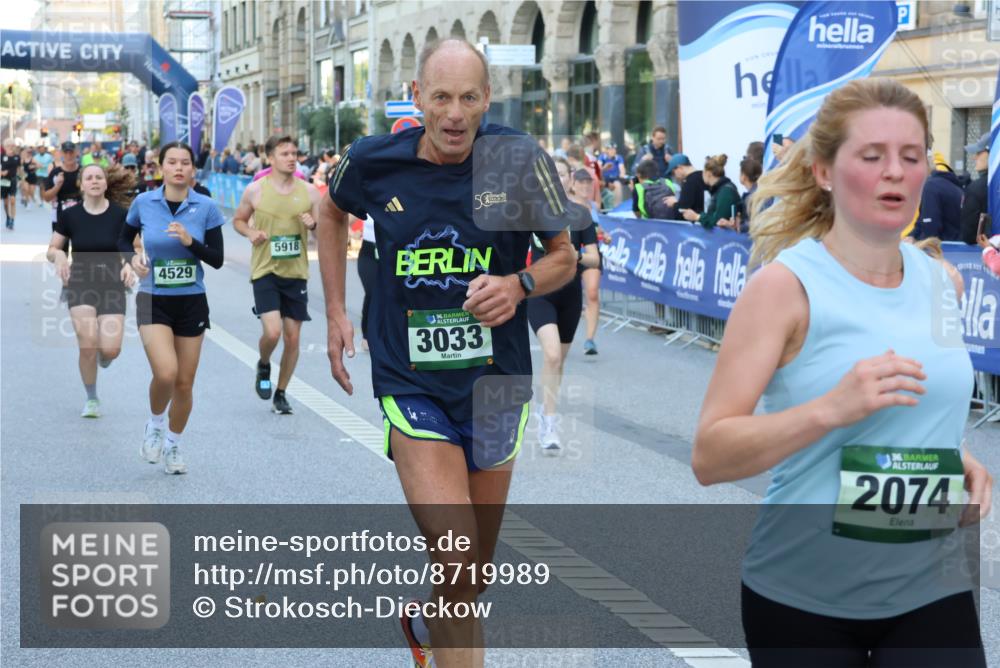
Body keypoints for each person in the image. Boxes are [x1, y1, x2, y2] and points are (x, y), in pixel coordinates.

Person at [692, 78, 991, 667]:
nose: (895, 173)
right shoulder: (783, 289)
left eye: (910, 157)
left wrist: (957, 460)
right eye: (872, 156)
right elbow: (710, 455)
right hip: (806, 598)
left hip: (931, 586)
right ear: (825, 170)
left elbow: (923, 417)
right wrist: (833, 408)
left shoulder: (942, 283)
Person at [316, 38, 578, 668]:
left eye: (468, 97)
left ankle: (430, 622)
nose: (456, 113)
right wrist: (332, 312)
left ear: (487, 98)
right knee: (457, 554)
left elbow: (564, 256)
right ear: (417, 99)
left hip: (496, 382)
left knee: (469, 578)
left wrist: (519, 285)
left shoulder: (516, 158)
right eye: (441, 97)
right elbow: (327, 213)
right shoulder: (373, 161)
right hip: (412, 381)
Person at [118, 141, 225, 475]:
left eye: (185, 163)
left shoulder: (206, 207)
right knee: (166, 372)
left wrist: (190, 242)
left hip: (192, 301)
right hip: (154, 298)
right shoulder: (143, 202)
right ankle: (154, 425)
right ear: (160, 167)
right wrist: (132, 258)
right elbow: (123, 239)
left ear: (193, 169)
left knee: (184, 383)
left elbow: (218, 259)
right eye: (172, 162)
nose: (179, 168)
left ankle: (173, 444)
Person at [232, 135, 322, 414]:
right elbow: (238, 220)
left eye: (294, 153)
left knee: (293, 338)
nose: (292, 157)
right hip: (265, 270)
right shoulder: (256, 190)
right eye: (284, 153)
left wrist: (314, 223)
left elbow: (321, 234)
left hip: (296, 273)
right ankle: (263, 363)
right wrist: (251, 232)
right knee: (272, 332)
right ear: (270, 158)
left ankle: (281, 392)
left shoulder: (309, 193)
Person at [47, 163, 137, 417]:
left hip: (112, 285)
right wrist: (60, 258)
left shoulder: (121, 215)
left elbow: (136, 247)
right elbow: (52, 249)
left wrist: (129, 263)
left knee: (110, 350)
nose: (95, 181)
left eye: (99, 177)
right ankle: (92, 398)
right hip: (81, 282)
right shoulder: (70, 216)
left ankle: (104, 356)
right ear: (82, 184)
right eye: (89, 177)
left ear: (106, 184)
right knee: (87, 343)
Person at [528, 159, 600, 454]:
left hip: (569, 295)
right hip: (539, 292)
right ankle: (549, 420)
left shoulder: (581, 215)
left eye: (560, 174)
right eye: (550, 175)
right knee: (553, 355)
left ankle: (546, 407)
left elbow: (595, 258)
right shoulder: (530, 213)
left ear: (570, 179)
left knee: (558, 363)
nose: (555, 180)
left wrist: (574, 257)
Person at [909, 154, 963, 241]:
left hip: (943, 249)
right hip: (954, 246)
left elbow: (930, 226)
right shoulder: (951, 185)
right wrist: (912, 236)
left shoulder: (931, 186)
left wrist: (918, 244)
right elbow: (922, 220)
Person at [680, 154, 741, 229]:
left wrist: (697, 217)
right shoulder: (720, 190)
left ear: (708, 174)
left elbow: (719, 221)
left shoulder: (726, 192)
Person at [42, 142, 83, 242]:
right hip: (60, 214)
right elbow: (47, 198)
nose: (69, 155)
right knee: (60, 250)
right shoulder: (56, 172)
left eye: (71, 152)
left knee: (79, 249)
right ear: (61, 154)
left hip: (80, 214)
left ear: (76, 153)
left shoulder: (83, 171)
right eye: (66, 152)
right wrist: (58, 186)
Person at [960, 133, 990, 245]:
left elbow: (969, 235)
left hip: (986, 257)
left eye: (979, 152)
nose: (974, 157)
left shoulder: (976, 189)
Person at [666, 153, 706, 219]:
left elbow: (683, 210)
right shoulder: (704, 176)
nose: (675, 177)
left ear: (679, 168)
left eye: (673, 173)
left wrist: (674, 204)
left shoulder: (689, 182)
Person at [2, 139, 22, 230]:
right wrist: (2, 173)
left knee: (13, 200)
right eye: (8, 145)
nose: (11, 147)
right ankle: (8, 217)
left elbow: (19, 169)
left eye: (12, 145)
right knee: (6, 203)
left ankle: (12, 221)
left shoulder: (17, 157)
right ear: (5, 147)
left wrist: (22, 179)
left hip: (13, 180)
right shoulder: (2, 156)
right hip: (3, 181)